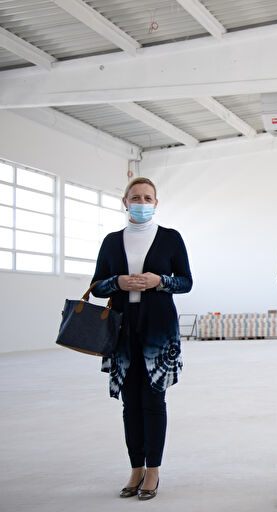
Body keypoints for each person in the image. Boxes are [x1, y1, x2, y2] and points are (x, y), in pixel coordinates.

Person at [91, 177, 192, 501]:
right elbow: (97, 286)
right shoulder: (111, 241)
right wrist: (118, 282)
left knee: (153, 400)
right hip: (122, 329)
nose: (142, 203)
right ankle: (136, 468)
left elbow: (186, 282)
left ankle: (153, 470)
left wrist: (159, 281)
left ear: (156, 203)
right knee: (130, 403)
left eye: (148, 198)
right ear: (125, 202)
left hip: (158, 329)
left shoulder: (170, 238)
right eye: (136, 197)